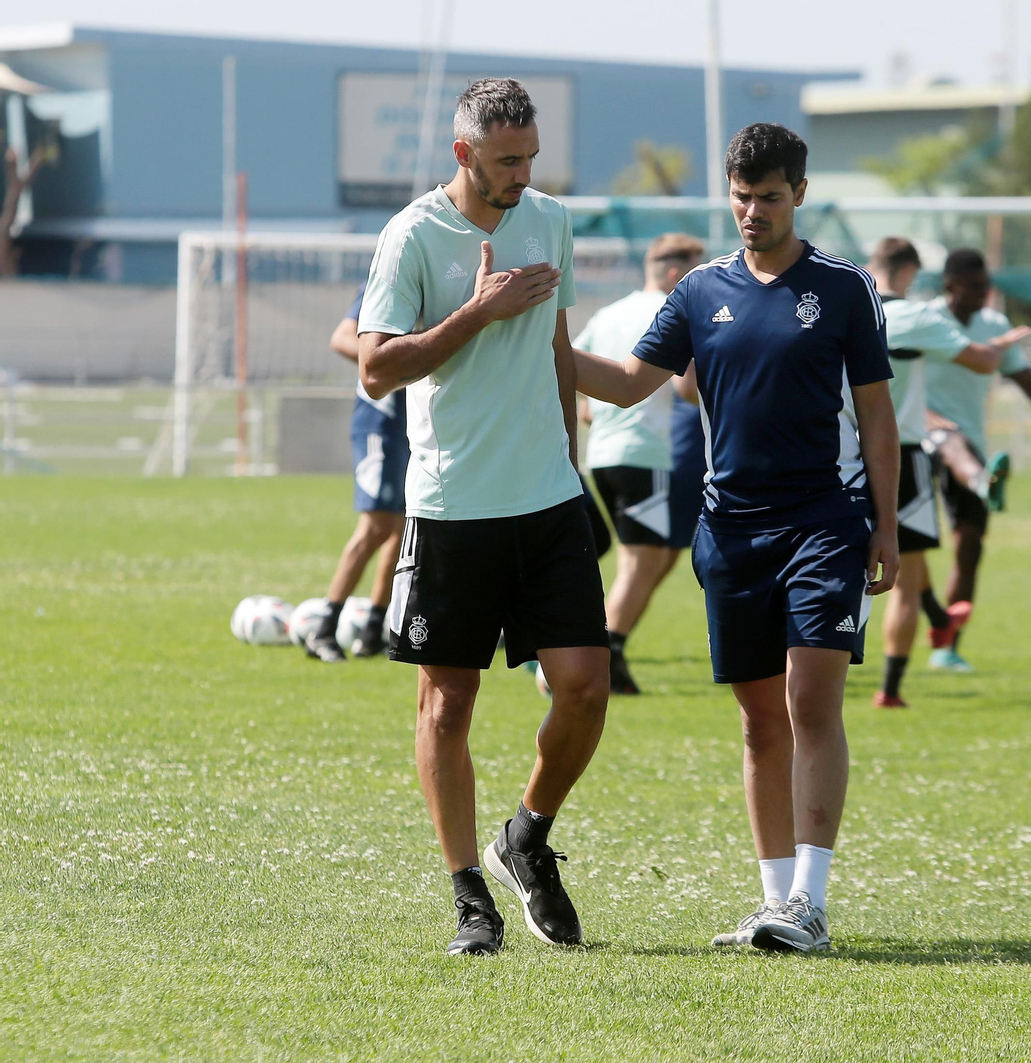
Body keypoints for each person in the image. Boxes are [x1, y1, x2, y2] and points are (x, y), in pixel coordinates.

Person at [572, 123, 898, 953]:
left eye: (770, 197)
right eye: (742, 196)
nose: (753, 211)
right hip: (730, 531)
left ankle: (812, 904)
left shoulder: (845, 287)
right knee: (759, 722)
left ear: (800, 194)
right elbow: (624, 384)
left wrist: (886, 523)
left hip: (826, 521)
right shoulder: (696, 292)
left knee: (810, 701)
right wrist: (532, 334)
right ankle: (773, 901)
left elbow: (876, 414)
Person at [356, 78, 611, 957]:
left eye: (532, 157)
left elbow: (558, 349)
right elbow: (377, 372)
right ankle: (470, 892)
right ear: (464, 154)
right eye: (508, 161)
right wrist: (477, 308)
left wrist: (575, 469)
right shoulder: (412, 235)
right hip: (452, 504)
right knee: (447, 705)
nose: (523, 175)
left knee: (586, 686)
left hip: (548, 499)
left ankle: (527, 837)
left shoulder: (549, 218)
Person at [865, 237, 1031, 709]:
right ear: (912, 272)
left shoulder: (845, 310)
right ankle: (890, 689)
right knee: (898, 567)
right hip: (902, 455)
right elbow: (980, 360)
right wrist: (999, 345)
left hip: (842, 455)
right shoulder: (916, 318)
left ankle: (937, 613)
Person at [922, 248, 1031, 672]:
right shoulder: (923, 320)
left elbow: (1030, 384)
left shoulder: (995, 326)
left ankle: (947, 645)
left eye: (987, 287)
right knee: (897, 548)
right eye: (975, 287)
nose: (984, 295)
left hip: (973, 446)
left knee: (970, 547)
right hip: (915, 439)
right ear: (950, 286)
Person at [576, 232, 706, 694]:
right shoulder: (674, 311)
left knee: (644, 559)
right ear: (675, 274)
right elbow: (687, 391)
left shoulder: (610, 312)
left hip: (602, 455)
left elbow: (575, 373)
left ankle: (604, 656)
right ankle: (600, 657)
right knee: (641, 563)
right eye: (697, 270)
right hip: (645, 452)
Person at [302, 283, 407, 663]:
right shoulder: (390, 279)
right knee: (377, 525)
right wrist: (397, 367)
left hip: (419, 426)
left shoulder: (443, 278)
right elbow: (343, 338)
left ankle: (373, 629)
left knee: (406, 526)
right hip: (383, 423)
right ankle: (324, 627)